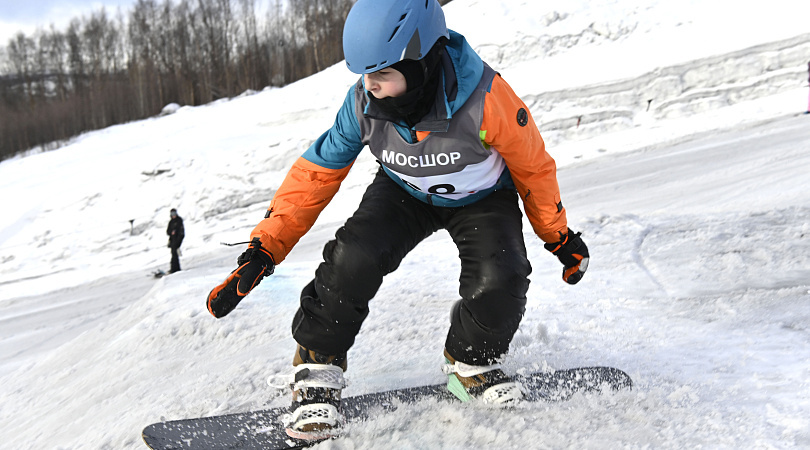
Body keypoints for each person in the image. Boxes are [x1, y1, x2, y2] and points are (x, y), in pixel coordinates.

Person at [207, 0, 589, 440]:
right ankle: (317, 369)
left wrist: (558, 237)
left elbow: (533, 167)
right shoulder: (362, 106)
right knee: (354, 257)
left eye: (383, 74)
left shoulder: (486, 100)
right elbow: (315, 173)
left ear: (421, 62)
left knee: (501, 278)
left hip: (480, 197)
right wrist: (265, 247)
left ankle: (471, 360)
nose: (371, 86)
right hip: (403, 192)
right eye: (365, 74)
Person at [167, 208, 184, 273]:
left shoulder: (179, 220)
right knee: (173, 254)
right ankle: (174, 268)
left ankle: (175, 269)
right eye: (172, 214)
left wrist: (178, 241)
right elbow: (168, 231)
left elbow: (181, 232)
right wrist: (171, 232)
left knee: (175, 254)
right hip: (172, 240)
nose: (173, 215)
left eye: (174, 213)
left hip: (177, 239)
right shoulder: (171, 222)